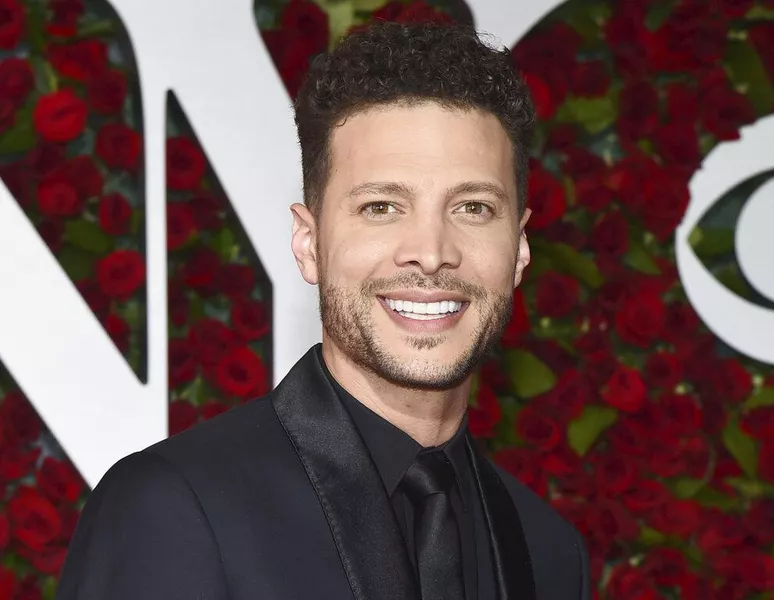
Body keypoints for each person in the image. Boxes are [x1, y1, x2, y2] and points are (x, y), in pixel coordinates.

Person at [56, 21, 590, 600]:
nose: (432, 253)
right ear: (310, 243)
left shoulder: (549, 550)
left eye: (474, 207)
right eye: (382, 206)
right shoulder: (172, 507)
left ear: (520, 248)